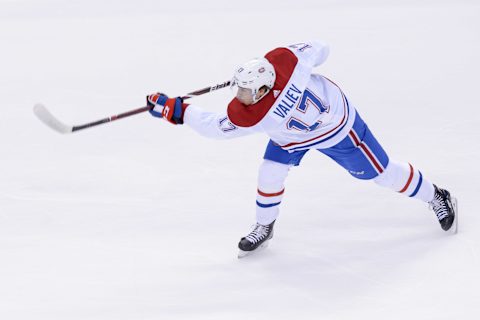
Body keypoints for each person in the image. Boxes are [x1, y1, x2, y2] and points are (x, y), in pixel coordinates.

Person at [146, 41, 458, 258]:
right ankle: (264, 226)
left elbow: (216, 127)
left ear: (265, 89)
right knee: (269, 174)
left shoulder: (258, 114)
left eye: (246, 90)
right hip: (295, 135)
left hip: (337, 128)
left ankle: (436, 196)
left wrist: (176, 109)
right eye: (239, 88)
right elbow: (320, 47)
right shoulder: (286, 64)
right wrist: (300, 62)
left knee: (383, 174)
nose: (240, 95)